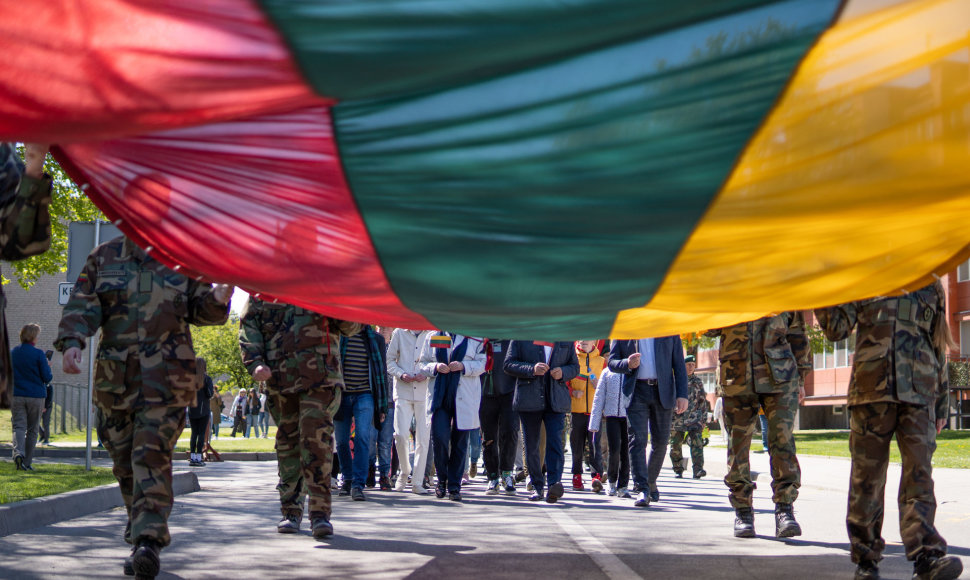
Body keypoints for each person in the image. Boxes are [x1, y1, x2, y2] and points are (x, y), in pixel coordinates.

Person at [55, 234, 231, 580]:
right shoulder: (103, 257)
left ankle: (148, 541)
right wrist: (73, 342)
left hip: (166, 383)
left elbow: (203, 310)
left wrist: (219, 298)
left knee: (150, 455)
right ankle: (138, 531)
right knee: (124, 464)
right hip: (115, 383)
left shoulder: (184, 257)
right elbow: (82, 305)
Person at [816, 283, 964, 580]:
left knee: (919, 476)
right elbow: (835, 329)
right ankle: (866, 560)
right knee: (866, 480)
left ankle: (927, 558)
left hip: (919, 395)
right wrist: (820, 285)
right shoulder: (866, 275)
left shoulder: (931, 284)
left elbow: (938, 345)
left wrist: (941, 405)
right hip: (871, 392)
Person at [239, 297, 361, 539]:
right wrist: (255, 363)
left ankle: (319, 514)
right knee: (288, 446)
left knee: (315, 443)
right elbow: (249, 325)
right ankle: (291, 511)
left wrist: (335, 297)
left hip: (321, 376)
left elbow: (352, 326)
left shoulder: (325, 280)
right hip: (280, 380)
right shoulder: (264, 285)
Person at [706, 313, 810, 539]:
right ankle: (743, 510)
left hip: (781, 377)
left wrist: (801, 378)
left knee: (782, 442)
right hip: (737, 376)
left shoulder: (785, 288)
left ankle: (785, 509)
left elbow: (798, 336)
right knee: (738, 446)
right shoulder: (729, 287)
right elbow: (707, 327)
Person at [608, 336, 688, 508]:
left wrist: (682, 394)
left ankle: (650, 481)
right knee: (638, 440)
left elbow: (679, 364)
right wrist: (627, 364)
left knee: (660, 442)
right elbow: (612, 362)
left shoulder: (668, 330)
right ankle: (642, 488)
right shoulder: (624, 329)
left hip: (663, 391)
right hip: (636, 391)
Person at [0, 143, 51, 410]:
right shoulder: (37, 354)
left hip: (23, 394)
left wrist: (33, 169)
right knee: (27, 430)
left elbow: (17, 241)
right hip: (33, 395)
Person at [505, 340, 579, 503]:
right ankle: (537, 486)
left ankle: (554, 484)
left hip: (556, 400)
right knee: (532, 445)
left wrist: (563, 372)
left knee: (555, 443)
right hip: (529, 399)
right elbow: (508, 364)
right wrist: (532, 369)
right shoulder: (522, 334)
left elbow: (575, 367)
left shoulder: (564, 336)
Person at [419, 332, 486, 501]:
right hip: (440, 396)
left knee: (460, 442)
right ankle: (442, 480)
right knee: (440, 437)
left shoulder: (475, 337)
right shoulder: (433, 336)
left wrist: (464, 366)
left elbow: (484, 363)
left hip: (464, 395)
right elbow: (422, 364)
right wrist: (435, 367)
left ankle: (454, 486)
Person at [335, 325, 388, 502]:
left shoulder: (376, 339)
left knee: (363, 437)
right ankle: (347, 479)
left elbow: (381, 374)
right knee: (342, 441)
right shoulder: (339, 336)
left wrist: (382, 407)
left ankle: (358, 484)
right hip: (342, 395)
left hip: (365, 394)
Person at [386, 328, 434, 494]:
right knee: (400, 435)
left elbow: (437, 360)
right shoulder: (399, 332)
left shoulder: (432, 333)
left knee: (423, 438)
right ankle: (404, 471)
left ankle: (418, 481)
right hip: (403, 390)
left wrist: (426, 372)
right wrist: (401, 374)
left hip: (425, 392)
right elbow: (390, 361)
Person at [479, 339, 519, 495]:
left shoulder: (511, 339)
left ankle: (507, 473)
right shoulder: (480, 340)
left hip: (509, 392)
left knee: (510, 431)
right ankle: (493, 476)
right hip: (485, 393)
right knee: (488, 437)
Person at [10, 323, 52, 470]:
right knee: (33, 429)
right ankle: (27, 462)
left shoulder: (13, 352)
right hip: (36, 396)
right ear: (33, 337)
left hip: (17, 395)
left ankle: (18, 453)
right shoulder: (39, 354)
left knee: (18, 426)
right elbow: (47, 377)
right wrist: (48, 365)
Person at [568, 340, 605, 492]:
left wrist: (600, 386)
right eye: (581, 338)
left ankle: (596, 476)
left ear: (594, 341)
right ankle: (576, 475)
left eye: (587, 338)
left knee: (595, 444)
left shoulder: (601, 361)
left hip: (595, 411)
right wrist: (572, 392)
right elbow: (564, 382)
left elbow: (609, 383)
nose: (583, 341)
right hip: (576, 410)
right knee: (577, 445)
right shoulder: (572, 358)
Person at [588, 366, 631, 497]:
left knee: (626, 451)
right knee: (614, 450)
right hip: (611, 416)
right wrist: (594, 422)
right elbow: (599, 397)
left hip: (628, 416)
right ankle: (612, 481)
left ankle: (623, 485)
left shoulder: (632, 370)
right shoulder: (607, 372)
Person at [669, 354, 709, 479]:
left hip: (694, 418)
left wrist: (703, 419)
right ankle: (678, 468)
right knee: (675, 444)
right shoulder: (676, 380)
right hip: (678, 418)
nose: (691, 367)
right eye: (688, 365)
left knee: (697, 443)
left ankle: (698, 469)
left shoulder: (698, 382)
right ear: (683, 365)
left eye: (693, 365)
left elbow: (702, 401)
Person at [187, 358, 214, 467]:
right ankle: (199, 457)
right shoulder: (207, 379)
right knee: (201, 433)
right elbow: (209, 394)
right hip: (203, 409)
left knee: (194, 433)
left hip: (192, 409)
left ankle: (192, 457)